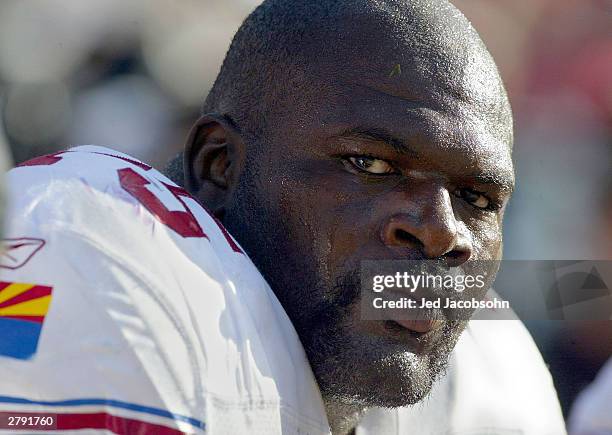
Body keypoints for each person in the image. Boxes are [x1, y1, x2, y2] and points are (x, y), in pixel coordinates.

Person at [0, 0, 565, 434]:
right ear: (218, 165)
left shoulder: (491, 376)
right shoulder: (94, 257)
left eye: (478, 198)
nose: (442, 233)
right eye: (369, 164)